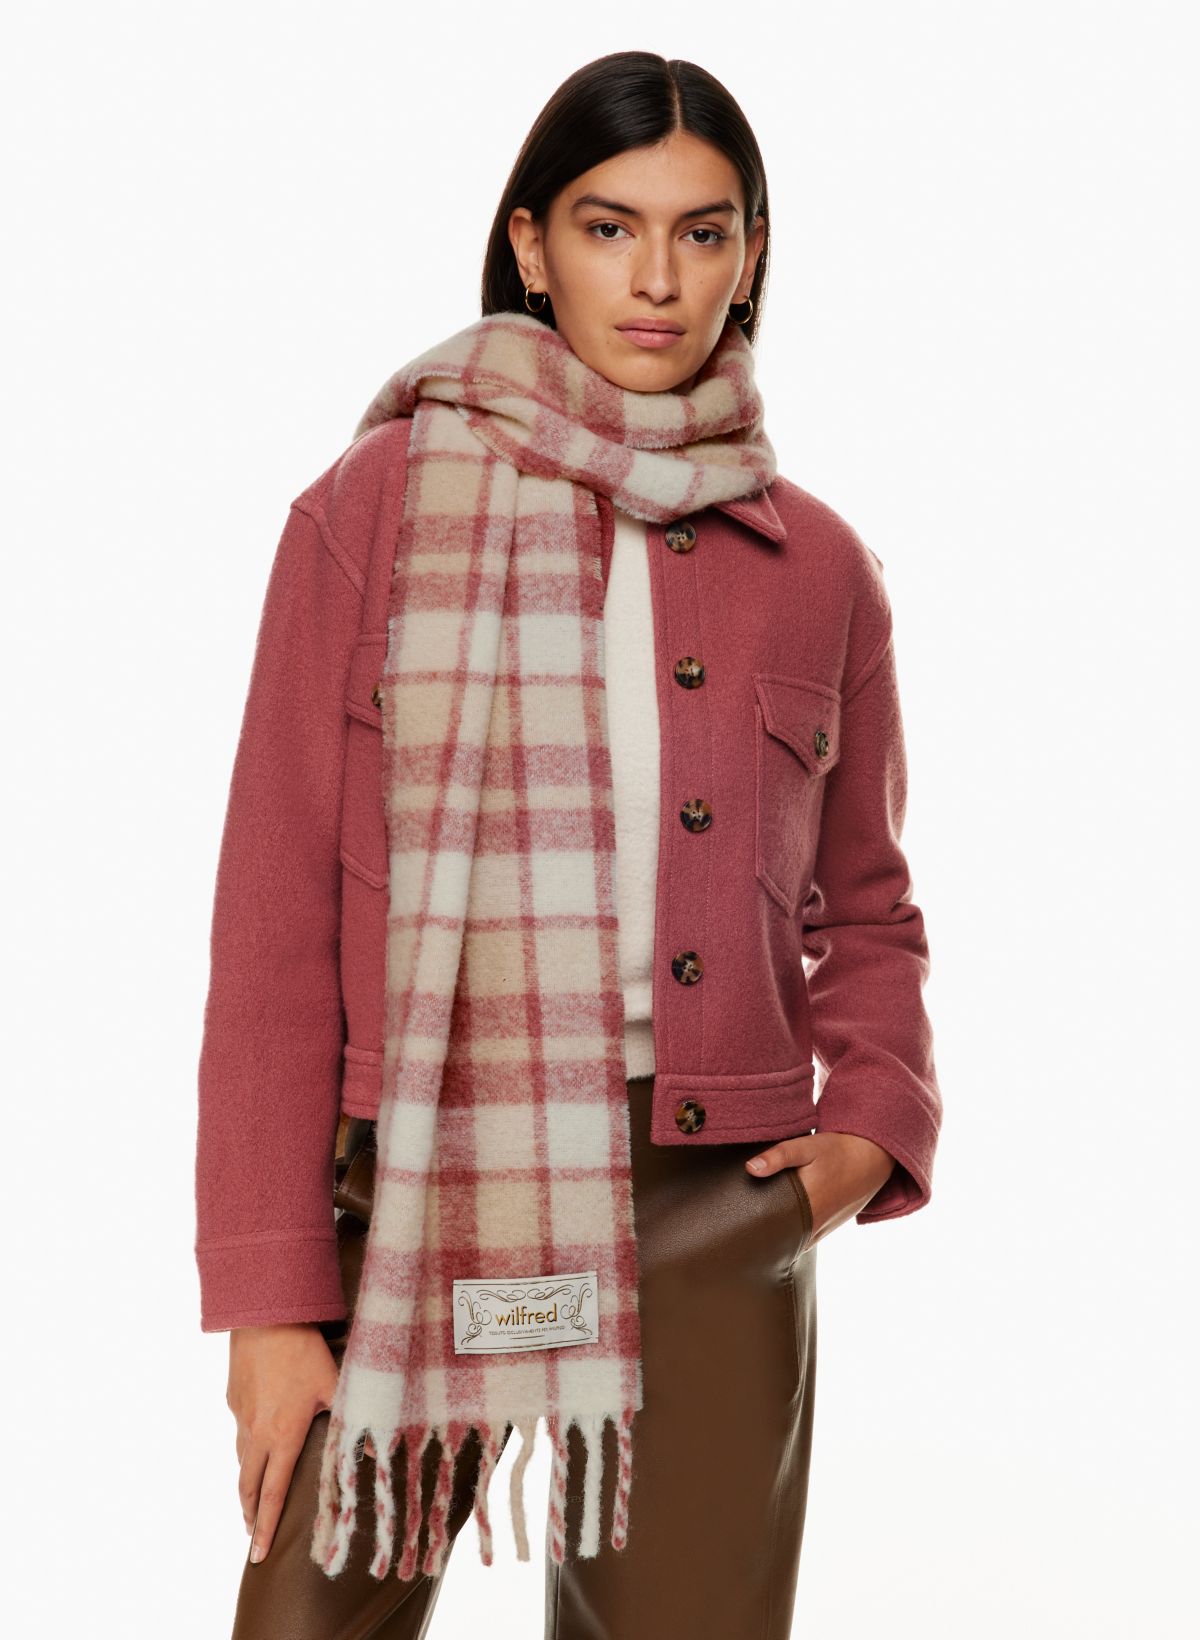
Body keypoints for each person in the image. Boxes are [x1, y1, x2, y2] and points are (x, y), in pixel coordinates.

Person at [194, 48, 942, 1640]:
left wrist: (874, 1121)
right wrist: (267, 1300)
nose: (657, 278)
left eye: (702, 231)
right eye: (611, 227)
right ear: (532, 244)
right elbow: (271, 926)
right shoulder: (372, 512)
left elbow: (869, 908)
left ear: (751, 254)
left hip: (712, 1200)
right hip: (406, 1192)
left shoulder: (817, 566)